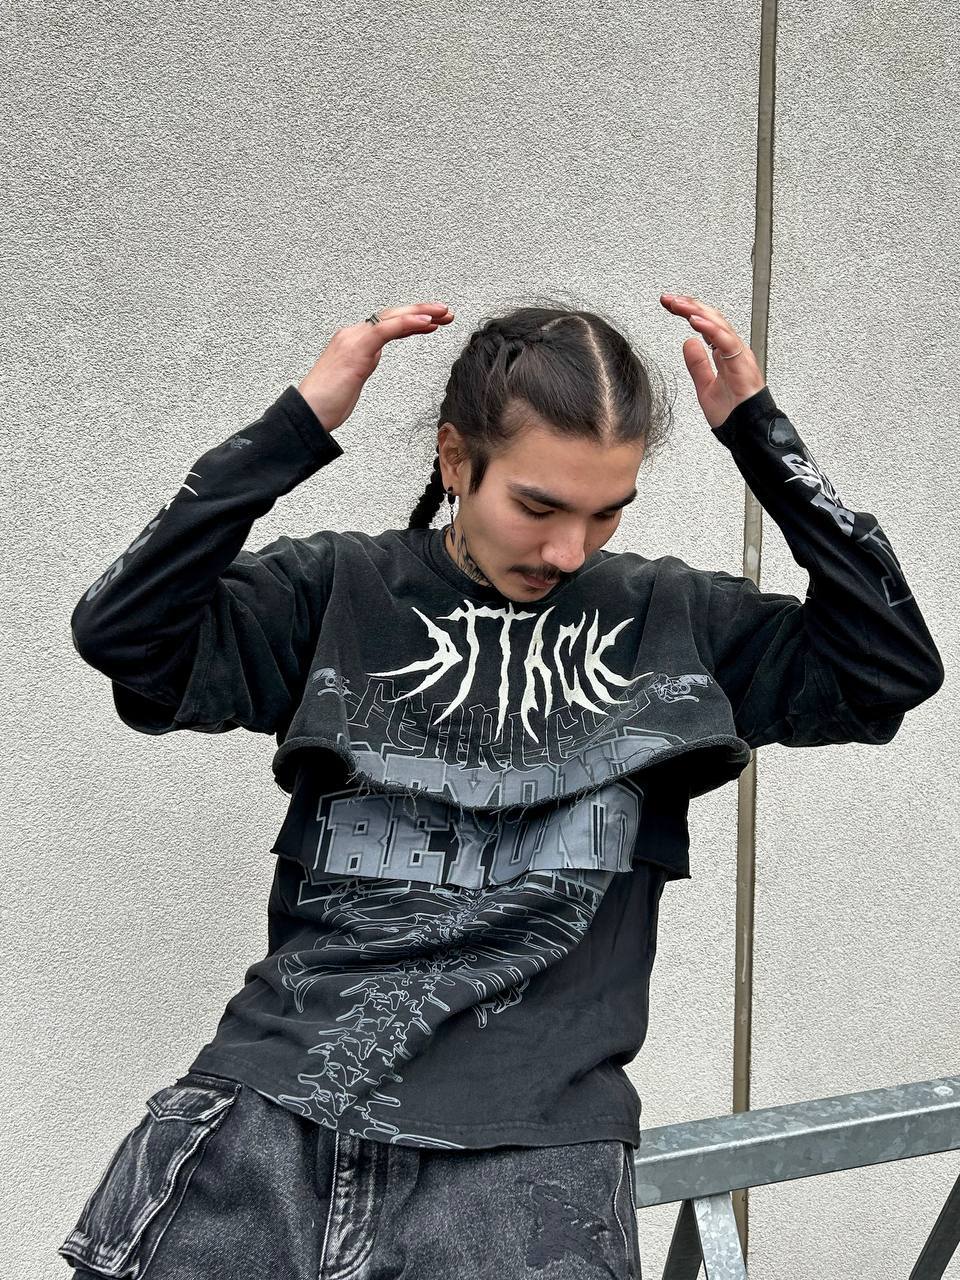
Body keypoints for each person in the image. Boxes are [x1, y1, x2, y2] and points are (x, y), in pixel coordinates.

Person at [58, 295, 944, 1280]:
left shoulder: (674, 623)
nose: (568, 550)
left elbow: (887, 666)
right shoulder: (337, 594)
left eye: (606, 511)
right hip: (270, 1134)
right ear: (454, 459)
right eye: (538, 506)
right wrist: (295, 427)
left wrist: (764, 443)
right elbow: (123, 630)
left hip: (527, 1178)